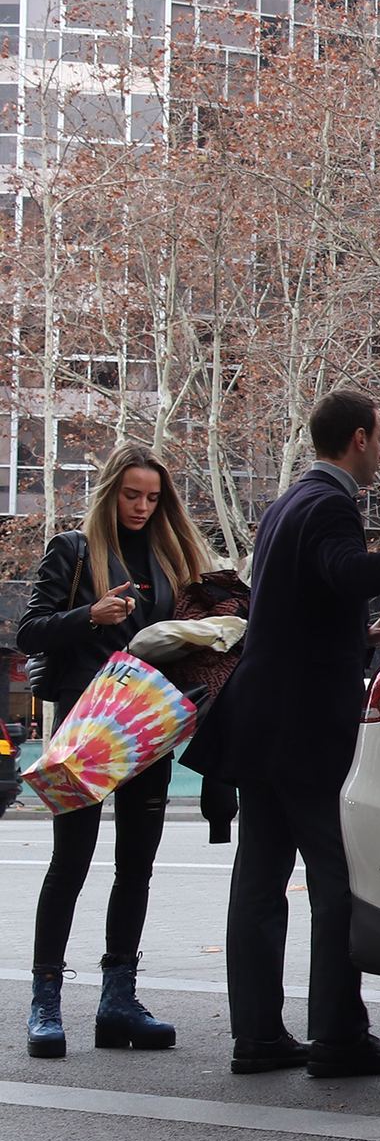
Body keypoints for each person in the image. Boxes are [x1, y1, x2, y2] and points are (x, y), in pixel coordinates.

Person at [183, 390, 380, 1078]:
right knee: (337, 878)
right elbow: (346, 572)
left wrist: (363, 631)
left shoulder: (285, 504)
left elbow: (298, 606)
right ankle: (337, 1034)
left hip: (260, 721)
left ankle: (257, 1035)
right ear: (360, 437)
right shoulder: (332, 503)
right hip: (308, 729)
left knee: (259, 881)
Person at [18, 446, 215, 1058]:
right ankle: (46, 1000)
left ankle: (117, 1000)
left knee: (137, 865)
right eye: (132, 494)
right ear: (110, 492)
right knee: (71, 862)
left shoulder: (170, 557)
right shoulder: (73, 549)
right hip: (85, 728)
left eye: (152, 497)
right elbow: (29, 630)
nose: (141, 506)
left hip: (144, 726)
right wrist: (90, 615)